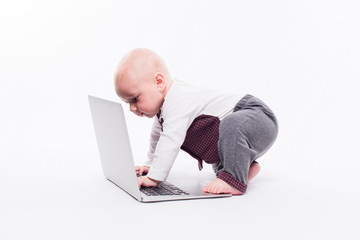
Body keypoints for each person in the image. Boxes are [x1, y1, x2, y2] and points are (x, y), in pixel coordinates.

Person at [114, 48, 278, 195]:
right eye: (128, 103)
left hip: (257, 115)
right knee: (218, 157)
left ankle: (234, 180)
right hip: (247, 127)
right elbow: (157, 138)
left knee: (231, 126)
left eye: (135, 99)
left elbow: (170, 140)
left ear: (159, 82)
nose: (132, 108)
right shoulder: (163, 110)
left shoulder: (177, 99)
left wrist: (154, 178)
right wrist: (150, 165)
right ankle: (244, 168)